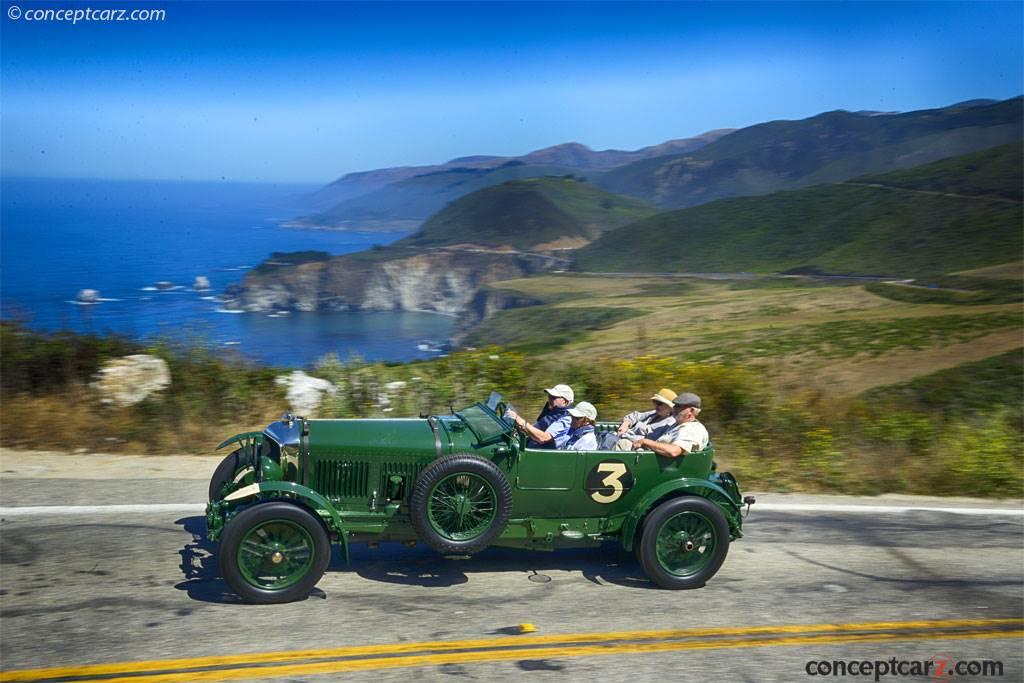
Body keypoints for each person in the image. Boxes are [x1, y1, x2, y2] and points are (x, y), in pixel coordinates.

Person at [628, 392, 708, 457]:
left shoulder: (693, 430)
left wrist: (645, 441)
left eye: (679, 407)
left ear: (691, 411)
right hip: (652, 458)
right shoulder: (678, 424)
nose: (674, 409)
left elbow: (673, 451)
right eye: (675, 406)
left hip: (660, 466)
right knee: (624, 443)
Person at [602, 388, 678, 451]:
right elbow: (635, 415)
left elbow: (651, 441)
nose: (656, 406)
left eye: (659, 403)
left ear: (669, 407)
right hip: (623, 437)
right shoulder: (655, 414)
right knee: (603, 435)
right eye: (655, 402)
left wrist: (624, 435)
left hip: (636, 447)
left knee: (620, 443)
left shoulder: (669, 424)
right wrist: (626, 424)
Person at [506, 384, 574, 449]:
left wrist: (520, 421)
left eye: (553, 397)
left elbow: (544, 438)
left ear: (565, 401)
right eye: (549, 396)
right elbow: (535, 428)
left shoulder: (567, 419)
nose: (549, 399)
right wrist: (519, 426)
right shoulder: (551, 412)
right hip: (530, 448)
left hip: (544, 456)